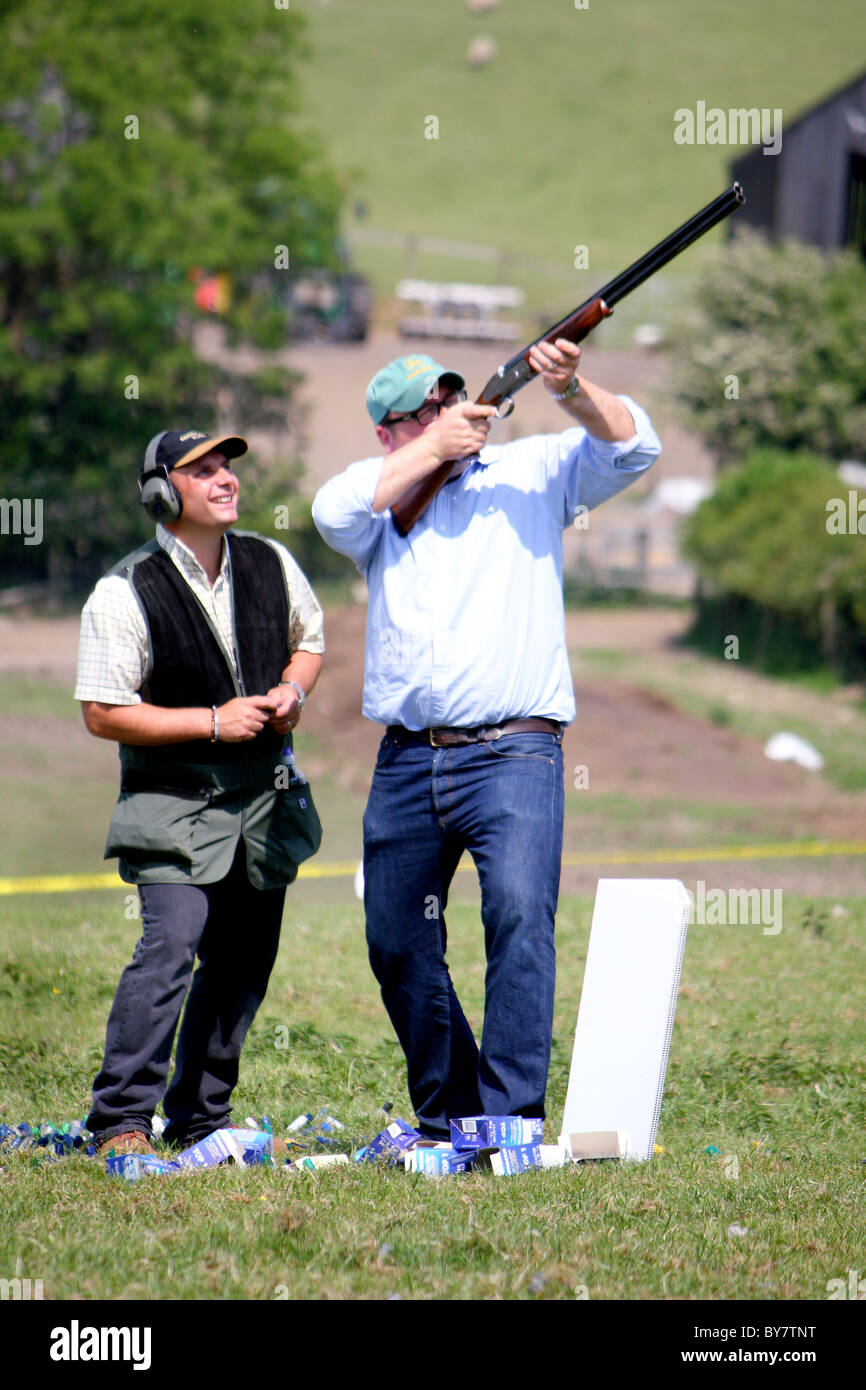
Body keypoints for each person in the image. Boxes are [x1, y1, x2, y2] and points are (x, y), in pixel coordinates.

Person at [312, 343, 661, 1139]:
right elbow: (330, 511)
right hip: (406, 758)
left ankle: (509, 1123)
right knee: (396, 941)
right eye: (424, 412)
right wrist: (437, 450)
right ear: (388, 433)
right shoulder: (378, 502)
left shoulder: (532, 470)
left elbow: (634, 444)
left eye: (452, 401)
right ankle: (451, 1112)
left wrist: (569, 386)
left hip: (515, 753)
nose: (445, 417)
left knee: (516, 921)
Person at [75, 427, 324, 1155]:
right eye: (203, 469)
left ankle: (200, 1121)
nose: (226, 480)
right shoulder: (123, 590)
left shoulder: (272, 561)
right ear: (162, 493)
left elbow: (311, 639)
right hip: (173, 805)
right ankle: (121, 1120)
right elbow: (101, 710)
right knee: (170, 946)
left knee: (245, 963)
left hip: (265, 806)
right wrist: (213, 722)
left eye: (228, 468)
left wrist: (290, 691)